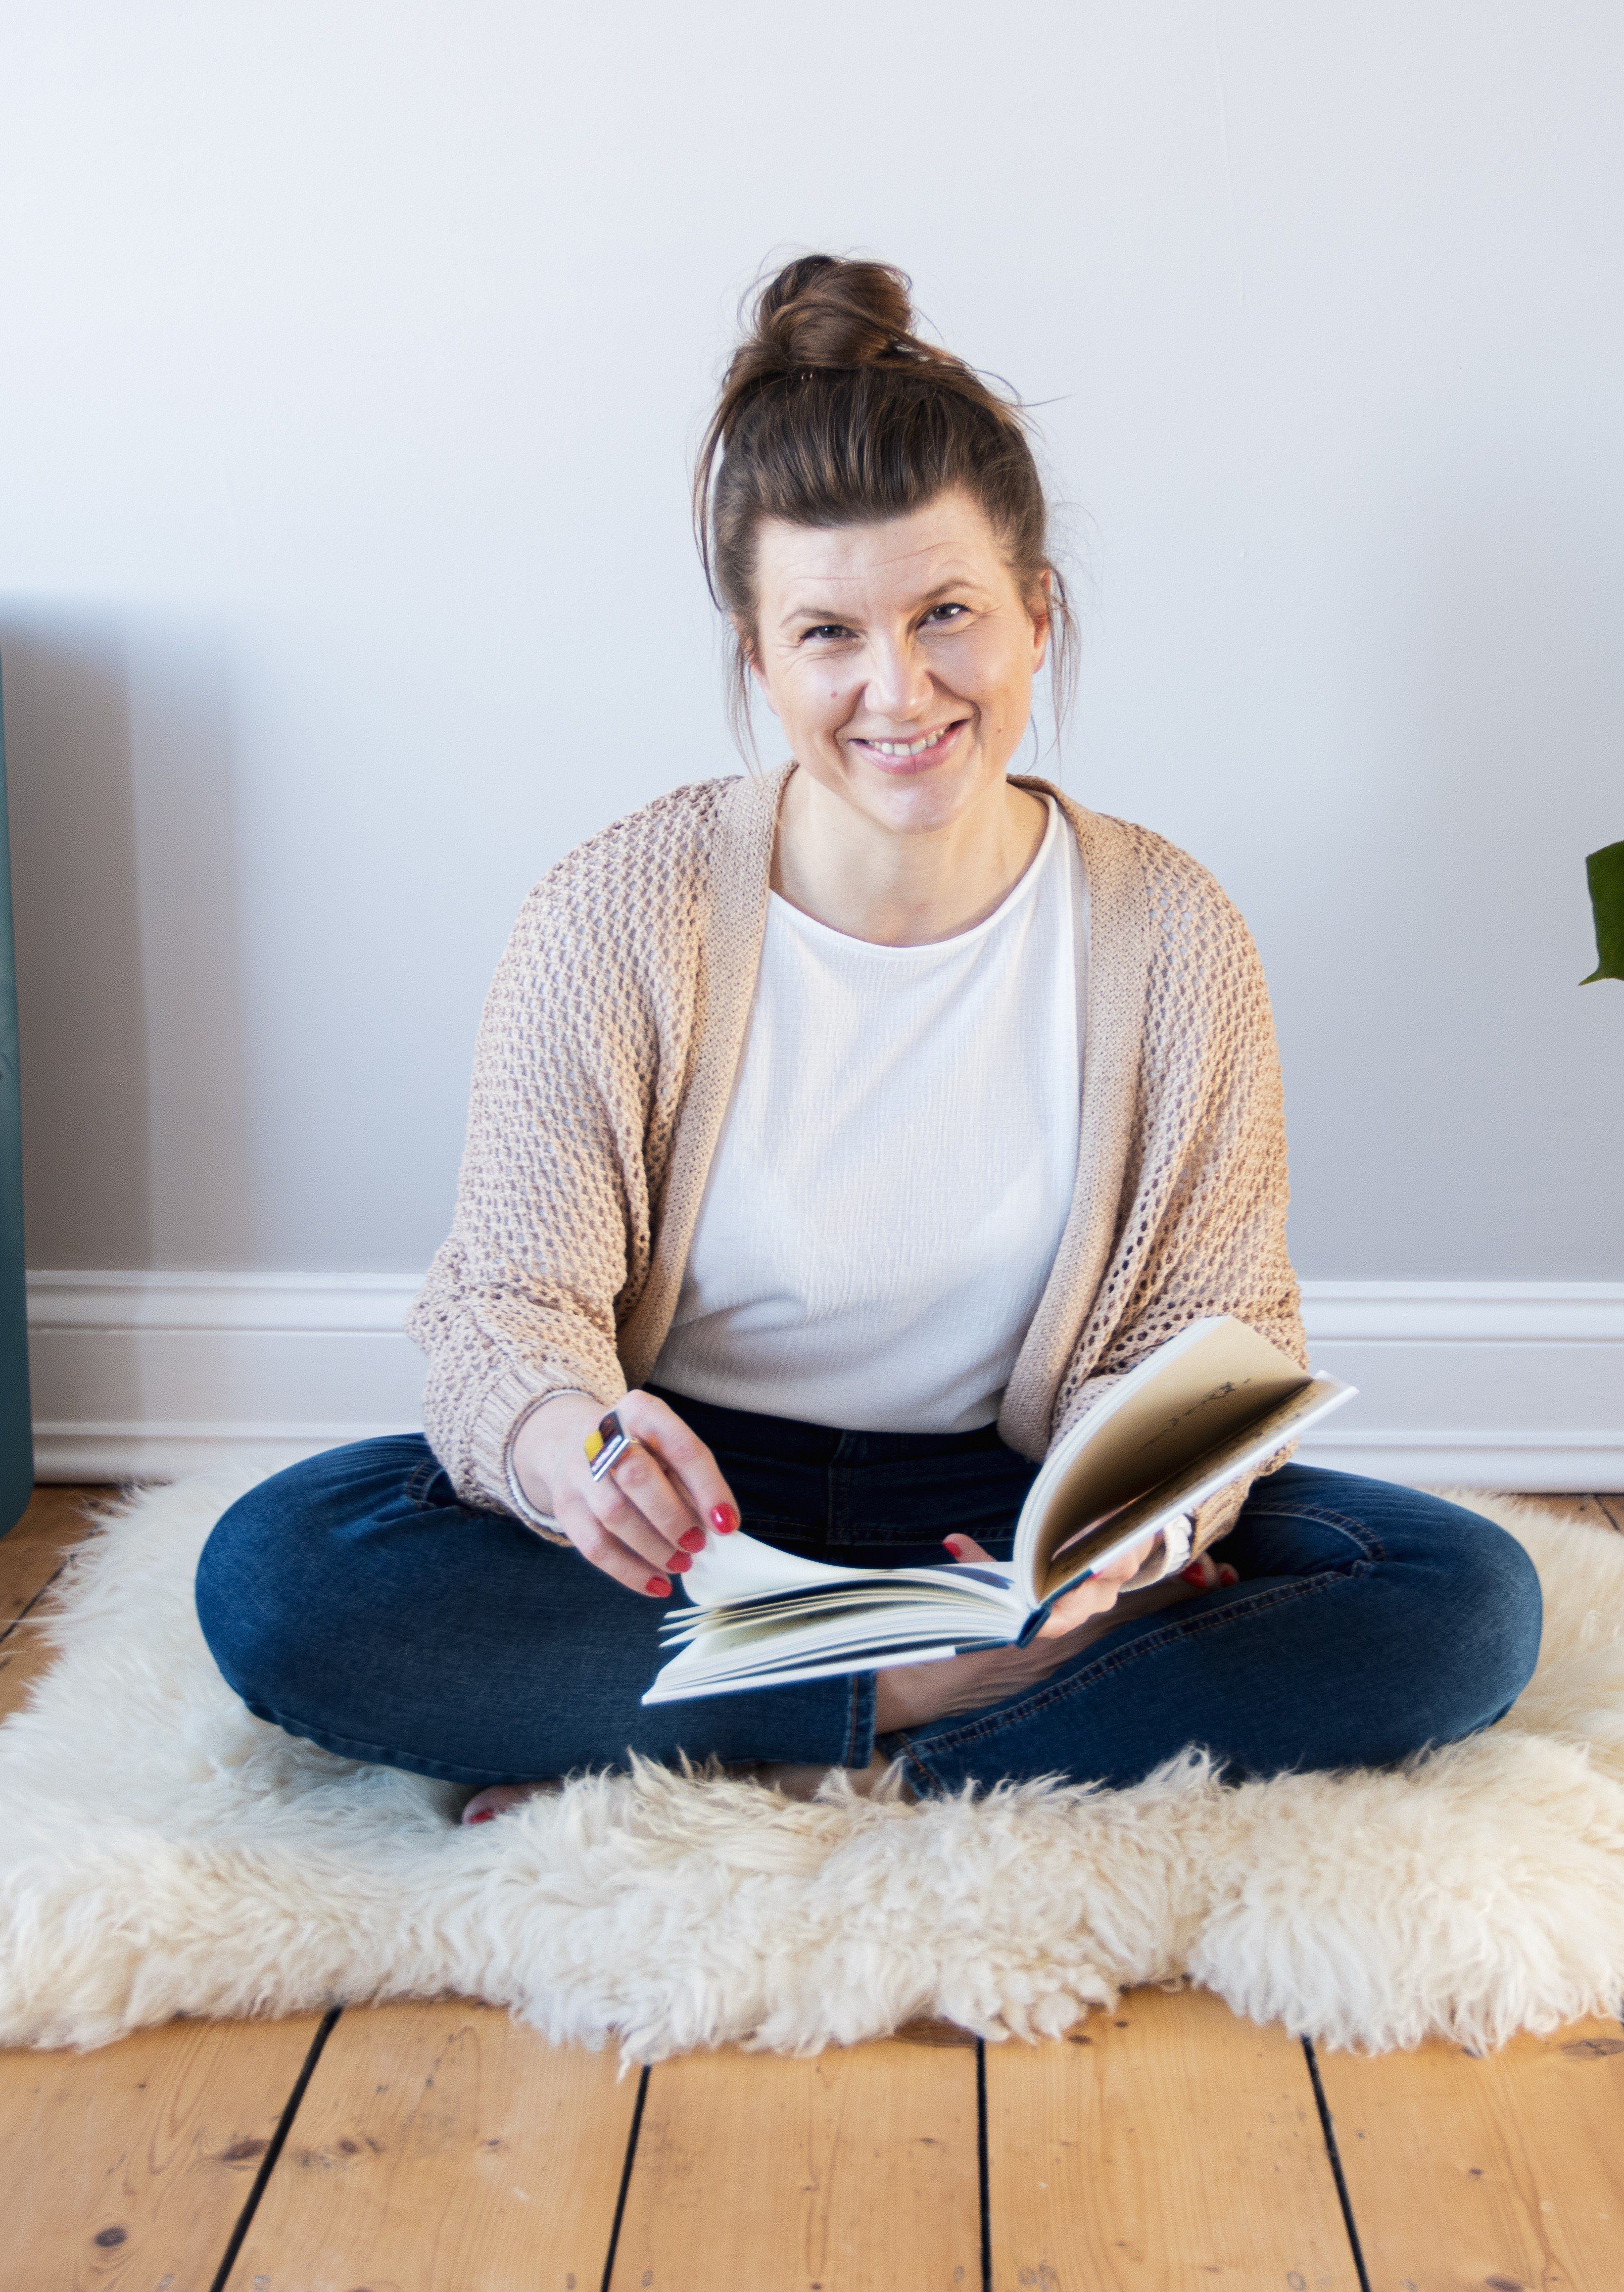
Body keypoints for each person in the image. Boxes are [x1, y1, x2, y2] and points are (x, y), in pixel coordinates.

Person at [194, 255, 1542, 1824]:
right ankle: (923, 1709)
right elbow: (509, 1300)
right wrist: (577, 1455)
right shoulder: (615, 914)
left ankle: (775, 1728)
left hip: (1007, 1507)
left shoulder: (1169, 933)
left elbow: (1215, 1323)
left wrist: (1141, 1531)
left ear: (1036, 617)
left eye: (948, 613)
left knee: (1455, 1597)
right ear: (761, 658)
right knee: (287, 1575)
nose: (898, 690)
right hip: (699, 1522)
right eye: (828, 633)